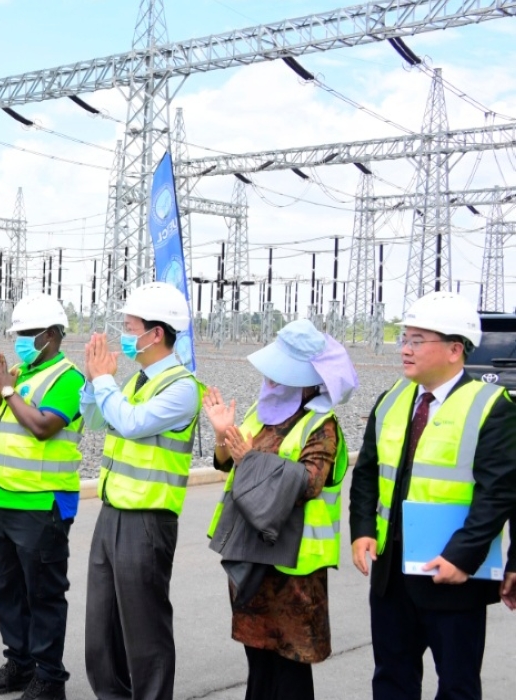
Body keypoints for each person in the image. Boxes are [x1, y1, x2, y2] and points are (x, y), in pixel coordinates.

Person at [349, 291, 516, 700]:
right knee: (391, 679)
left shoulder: (492, 406)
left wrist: (462, 558)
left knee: (456, 686)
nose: (404, 349)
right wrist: (362, 529)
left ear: (455, 349)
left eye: (417, 340)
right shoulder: (392, 399)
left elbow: (498, 494)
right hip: (391, 575)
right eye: (403, 338)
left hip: (454, 576)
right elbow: (368, 473)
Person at [202, 319, 357, 700]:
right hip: (253, 557)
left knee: (290, 665)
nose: (269, 381)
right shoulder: (262, 411)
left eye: (278, 376)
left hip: (294, 569)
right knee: (258, 660)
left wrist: (249, 458)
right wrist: (223, 436)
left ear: (306, 381)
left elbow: (308, 482)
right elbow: (228, 465)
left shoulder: (322, 425)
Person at [79, 282, 202, 700]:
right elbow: (96, 421)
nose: (124, 334)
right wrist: (93, 380)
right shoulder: (133, 382)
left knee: (144, 631)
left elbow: (131, 423)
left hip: (148, 521)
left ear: (156, 334)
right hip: (113, 513)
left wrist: (105, 383)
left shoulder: (182, 387)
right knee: (101, 628)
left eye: (130, 327)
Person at [0, 295, 84, 700]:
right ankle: (19, 664)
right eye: (17, 333)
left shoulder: (68, 379)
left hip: (43, 506)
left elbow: (42, 427)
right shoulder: (18, 376)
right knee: (6, 589)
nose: (19, 341)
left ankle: (49, 678)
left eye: (26, 334)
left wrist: (7, 392)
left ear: (51, 336)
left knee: (44, 596)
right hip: (2, 500)